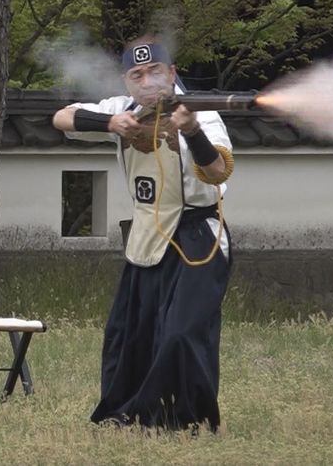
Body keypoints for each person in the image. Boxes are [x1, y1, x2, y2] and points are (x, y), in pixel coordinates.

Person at [51, 36, 234, 432]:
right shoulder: (122, 109)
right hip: (146, 234)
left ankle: (186, 419)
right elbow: (63, 117)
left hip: (197, 236)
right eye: (137, 74)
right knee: (131, 333)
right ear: (126, 80)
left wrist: (191, 132)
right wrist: (110, 124)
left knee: (182, 332)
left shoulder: (203, 114)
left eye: (155, 72)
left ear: (172, 73)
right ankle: (129, 413)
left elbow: (218, 171)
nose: (147, 81)